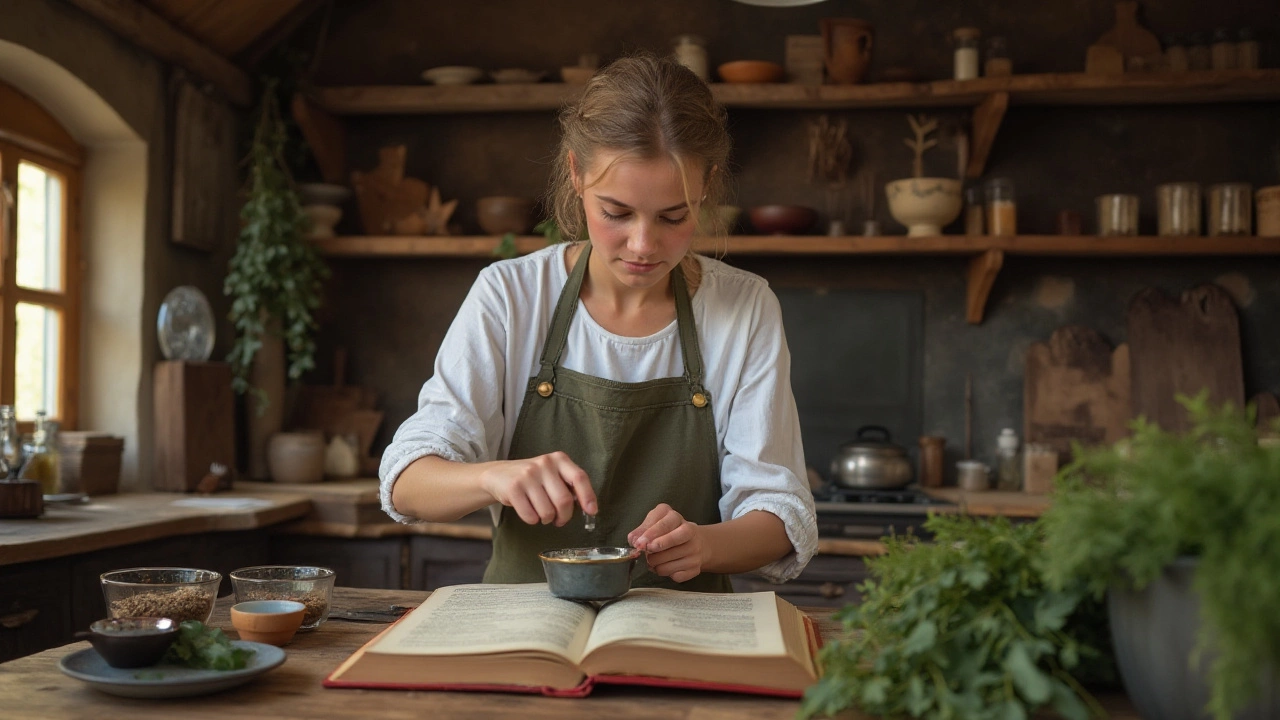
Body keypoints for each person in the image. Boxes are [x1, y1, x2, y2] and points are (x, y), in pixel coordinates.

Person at [380, 53, 816, 592]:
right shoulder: (512, 295)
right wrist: (494, 476)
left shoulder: (745, 308)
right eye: (617, 213)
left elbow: (780, 514)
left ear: (707, 186)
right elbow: (407, 482)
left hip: (681, 631)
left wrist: (706, 544)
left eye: (674, 217)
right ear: (575, 174)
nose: (642, 245)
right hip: (524, 626)